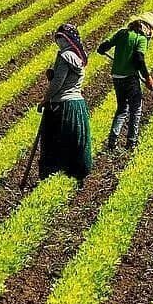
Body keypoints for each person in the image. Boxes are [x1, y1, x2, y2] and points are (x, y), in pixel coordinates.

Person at [39, 22, 93, 183]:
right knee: (75, 142)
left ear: (68, 40)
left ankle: (53, 175)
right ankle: (77, 175)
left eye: (61, 38)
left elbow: (58, 84)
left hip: (62, 105)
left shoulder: (65, 57)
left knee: (55, 142)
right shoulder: (78, 58)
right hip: (77, 104)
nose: (58, 42)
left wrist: (45, 100)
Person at [97, 13, 153, 151]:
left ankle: (112, 140)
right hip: (130, 78)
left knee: (122, 108)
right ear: (147, 27)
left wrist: (102, 50)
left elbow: (104, 46)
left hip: (117, 76)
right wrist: (148, 77)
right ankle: (132, 141)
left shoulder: (122, 33)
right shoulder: (141, 39)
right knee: (135, 109)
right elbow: (139, 59)